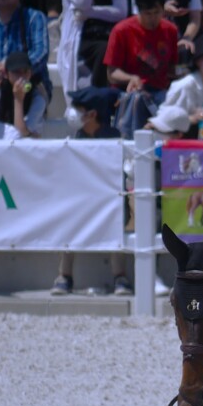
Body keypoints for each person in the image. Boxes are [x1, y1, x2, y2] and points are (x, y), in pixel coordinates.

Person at [52, 86, 127, 296]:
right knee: (67, 216)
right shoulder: (77, 138)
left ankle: (121, 277)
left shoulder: (115, 138)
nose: (73, 112)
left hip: (108, 202)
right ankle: (64, 276)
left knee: (115, 214)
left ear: (93, 114)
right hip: (80, 202)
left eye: (78, 107)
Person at [104, 0, 178, 137]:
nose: (153, 18)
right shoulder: (121, 31)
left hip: (161, 92)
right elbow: (112, 73)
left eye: (157, 12)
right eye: (148, 13)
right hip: (130, 93)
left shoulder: (170, 30)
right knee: (137, 101)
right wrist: (131, 78)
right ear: (138, 9)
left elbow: (172, 67)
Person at [0, 50, 49, 137]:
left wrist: (18, 100)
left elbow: (19, 134)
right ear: (6, 74)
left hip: (27, 146)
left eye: (26, 71)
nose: (22, 76)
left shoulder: (38, 99)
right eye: (16, 72)